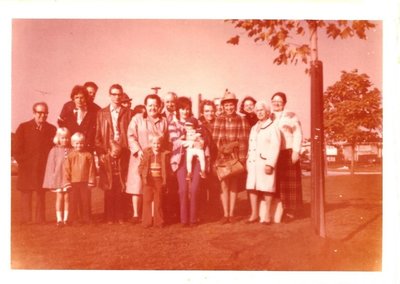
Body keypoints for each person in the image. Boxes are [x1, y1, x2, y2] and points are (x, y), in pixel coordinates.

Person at [126, 94, 168, 223]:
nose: (152, 108)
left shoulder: (163, 121)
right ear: (145, 106)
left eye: (155, 105)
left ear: (159, 106)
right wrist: (138, 151)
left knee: (153, 186)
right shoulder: (137, 119)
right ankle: (135, 214)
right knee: (137, 185)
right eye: (150, 105)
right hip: (140, 156)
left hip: (155, 158)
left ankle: (153, 215)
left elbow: (165, 140)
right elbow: (131, 135)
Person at [13, 102, 57, 224]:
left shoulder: (52, 129)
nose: (42, 115)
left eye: (45, 113)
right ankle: (25, 220)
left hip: (43, 168)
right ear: (34, 113)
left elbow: (54, 149)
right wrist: (24, 162)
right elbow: (16, 149)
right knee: (26, 193)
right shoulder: (23, 127)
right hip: (27, 167)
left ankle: (40, 220)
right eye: (39, 112)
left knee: (40, 194)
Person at [95, 84, 133, 221]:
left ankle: (121, 215)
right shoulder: (101, 113)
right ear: (110, 95)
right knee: (109, 184)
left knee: (121, 183)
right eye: (114, 94)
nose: (117, 97)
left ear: (122, 95)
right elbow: (98, 136)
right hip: (107, 152)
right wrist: (102, 153)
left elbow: (130, 133)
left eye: (119, 94)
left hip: (124, 152)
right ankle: (109, 216)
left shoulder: (128, 112)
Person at [212, 90, 250, 224]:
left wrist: (241, 160)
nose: (229, 107)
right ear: (223, 106)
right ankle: (225, 214)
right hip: (222, 157)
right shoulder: (219, 119)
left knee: (234, 185)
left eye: (231, 105)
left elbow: (243, 141)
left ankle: (232, 214)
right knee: (224, 185)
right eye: (226, 105)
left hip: (235, 157)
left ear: (235, 104)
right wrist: (219, 156)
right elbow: (215, 140)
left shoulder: (241, 119)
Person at [169, 97, 207, 227]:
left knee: (195, 188)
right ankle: (184, 219)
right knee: (183, 190)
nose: (185, 111)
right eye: (182, 109)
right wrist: (191, 142)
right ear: (177, 110)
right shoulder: (173, 124)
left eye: (187, 109)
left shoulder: (196, 122)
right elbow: (175, 142)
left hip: (196, 158)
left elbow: (203, 138)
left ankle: (193, 218)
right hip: (180, 159)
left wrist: (200, 142)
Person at [245, 101, 281, 225]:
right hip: (253, 163)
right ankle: (254, 214)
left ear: (267, 112)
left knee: (267, 188)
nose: (259, 112)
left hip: (265, 162)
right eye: (257, 110)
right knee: (252, 188)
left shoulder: (272, 127)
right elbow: (251, 145)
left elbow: (275, 146)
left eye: (262, 110)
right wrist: (248, 160)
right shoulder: (254, 128)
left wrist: (270, 164)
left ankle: (267, 216)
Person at [270, 92, 303, 222]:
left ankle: (291, 212)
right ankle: (278, 210)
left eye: (279, 101)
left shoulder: (291, 116)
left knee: (290, 183)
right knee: (277, 183)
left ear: (284, 103)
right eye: (274, 101)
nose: (276, 103)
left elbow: (298, 133)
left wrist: (296, 151)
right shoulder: (269, 116)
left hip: (288, 151)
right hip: (274, 154)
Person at [42, 127, 73, 226]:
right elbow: (51, 166)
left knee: (67, 198)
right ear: (58, 138)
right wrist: (51, 180)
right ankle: (59, 219)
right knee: (59, 198)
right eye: (63, 138)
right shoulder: (54, 150)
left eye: (67, 138)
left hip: (68, 178)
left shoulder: (71, 150)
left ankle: (66, 219)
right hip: (58, 178)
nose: (65, 140)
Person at [63, 132, 96, 224]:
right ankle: (73, 219)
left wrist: (91, 181)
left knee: (85, 201)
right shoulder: (70, 155)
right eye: (77, 143)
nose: (79, 145)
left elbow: (92, 169)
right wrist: (67, 181)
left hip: (85, 182)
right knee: (73, 201)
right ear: (73, 143)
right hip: (73, 182)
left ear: (84, 143)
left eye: (81, 143)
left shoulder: (88, 155)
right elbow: (66, 169)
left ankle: (86, 218)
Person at [138, 134, 170, 228]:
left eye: (158, 143)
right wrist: (143, 175)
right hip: (148, 180)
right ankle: (146, 222)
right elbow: (141, 166)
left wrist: (165, 178)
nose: (156, 145)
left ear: (161, 144)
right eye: (154, 143)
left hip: (159, 180)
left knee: (158, 200)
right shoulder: (147, 153)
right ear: (151, 144)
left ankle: (159, 221)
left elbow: (166, 168)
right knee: (147, 200)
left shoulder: (164, 154)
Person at [198, 100, 220, 220]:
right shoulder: (198, 124)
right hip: (202, 159)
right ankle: (201, 213)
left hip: (216, 159)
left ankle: (214, 213)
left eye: (212, 111)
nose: (210, 113)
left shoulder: (219, 123)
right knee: (202, 187)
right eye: (207, 111)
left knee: (215, 187)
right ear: (202, 112)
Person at [58, 85, 97, 152]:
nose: (79, 100)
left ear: (85, 98)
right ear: (73, 99)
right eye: (76, 97)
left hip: (86, 149)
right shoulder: (68, 110)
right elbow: (61, 124)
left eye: (82, 97)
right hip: (70, 147)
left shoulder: (92, 113)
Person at [98, 140, 128, 224]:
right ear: (109, 150)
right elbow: (102, 172)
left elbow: (124, 171)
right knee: (109, 200)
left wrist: (124, 181)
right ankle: (109, 218)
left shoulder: (120, 159)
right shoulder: (105, 160)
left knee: (119, 199)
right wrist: (105, 183)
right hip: (109, 182)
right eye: (114, 152)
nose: (116, 154)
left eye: (118, 153)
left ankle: (119, 217)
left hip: (118, 181)